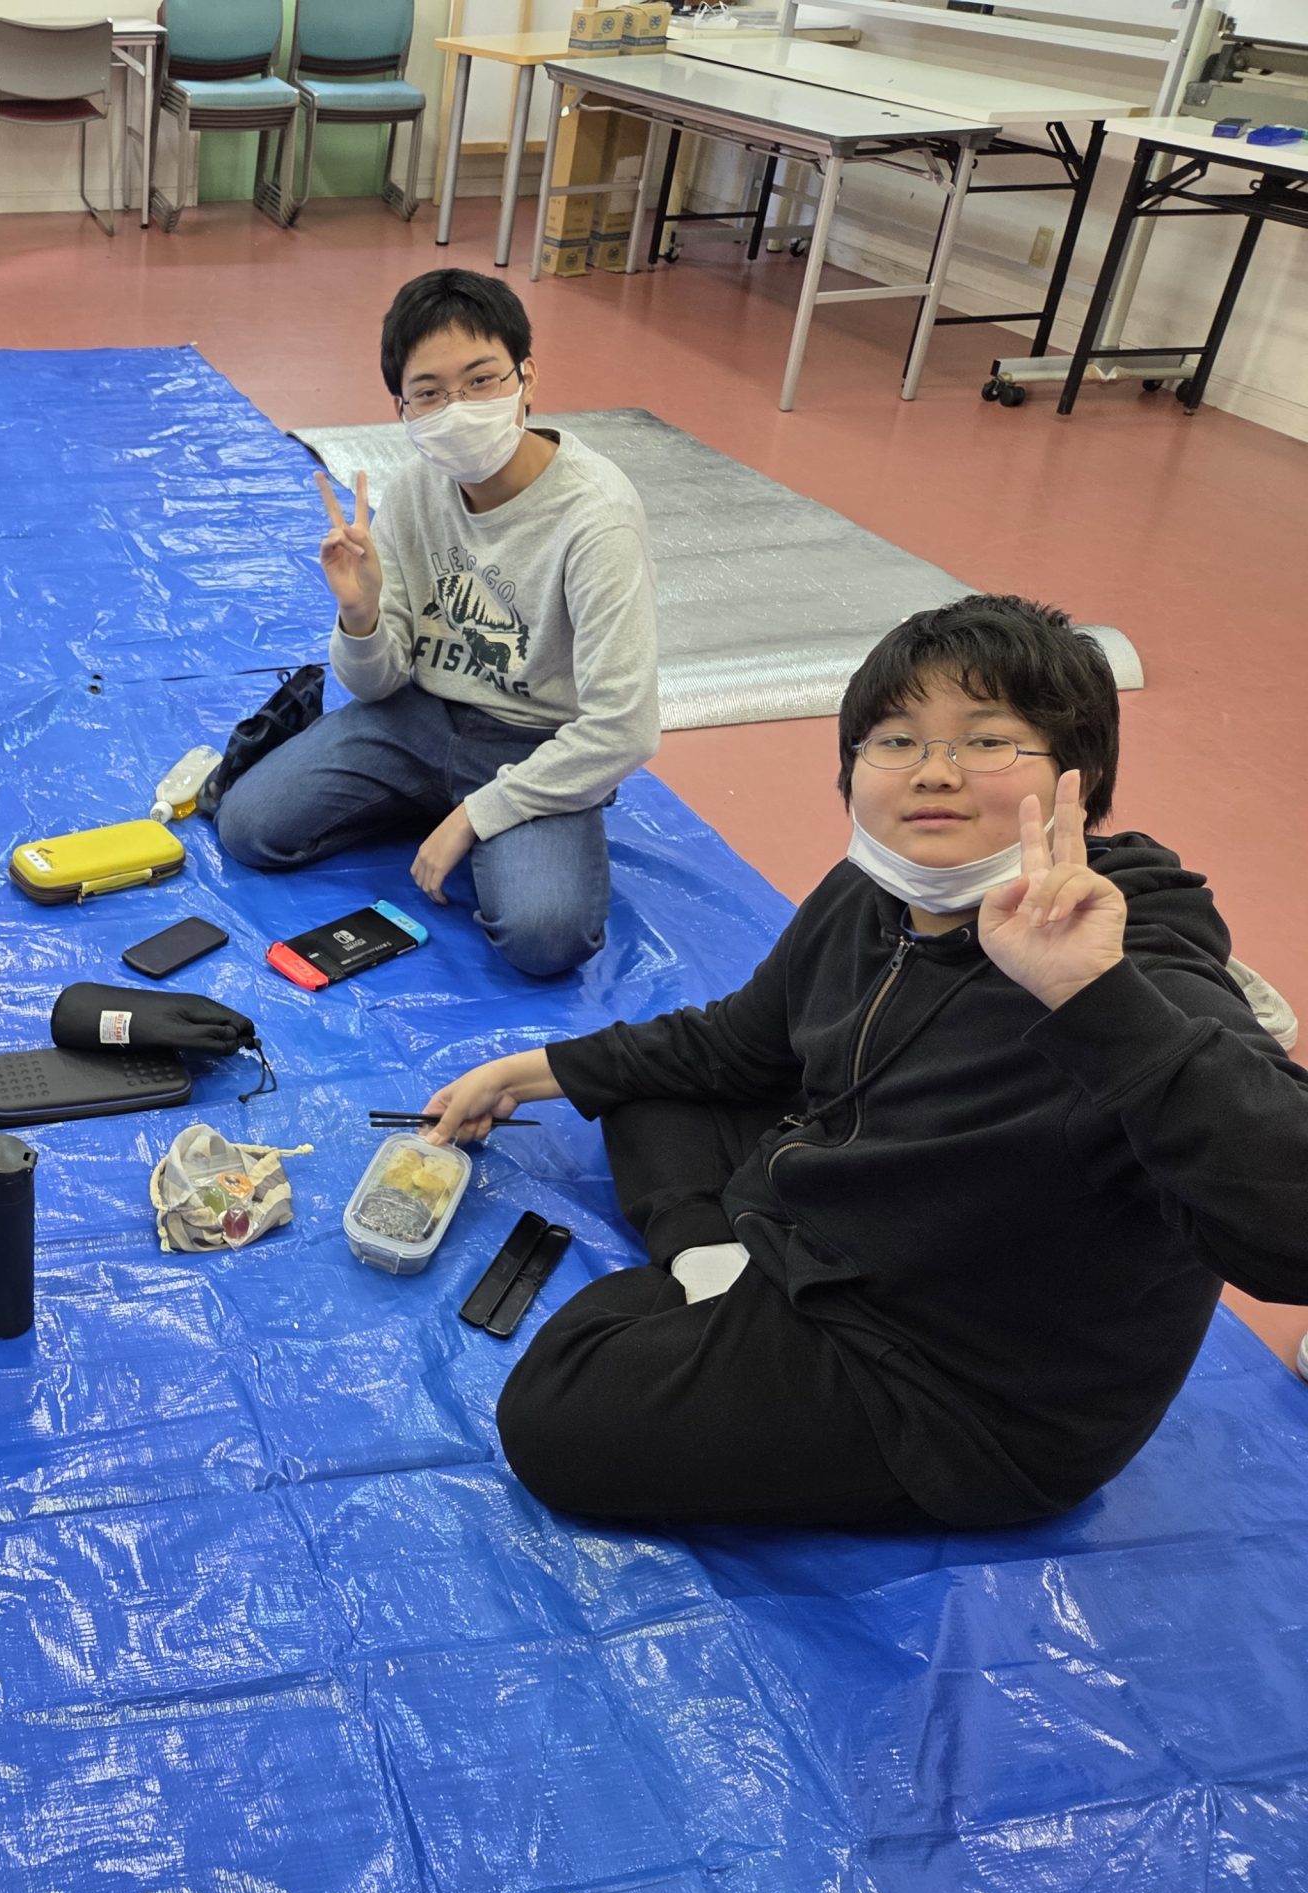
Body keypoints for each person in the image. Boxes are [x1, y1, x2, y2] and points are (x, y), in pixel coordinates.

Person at [418, 595, 1308, 1530]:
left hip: (955, 1387)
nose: (935, 772)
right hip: (853, 1217)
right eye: (897, 740)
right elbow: (737, 1042)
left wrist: (1095, 999)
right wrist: (526, 1072)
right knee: (647, 1091)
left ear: (1077, 778)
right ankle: (717, 1262)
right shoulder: (872, 891)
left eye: (987, 741)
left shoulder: (1131, 960)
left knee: (558, 1411)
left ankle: (717, 1274)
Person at [212, 269, 660, 978]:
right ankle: (427, 797)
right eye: (429, 393)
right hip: (417, 718)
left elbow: (625, 730)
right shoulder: (417, 489)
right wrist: (360, 613)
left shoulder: (594, 517)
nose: (458, 409)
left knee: (547, 937)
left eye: (481, 380)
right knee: (248, 829)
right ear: (403, 408)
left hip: (534, 742)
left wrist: (478, 815)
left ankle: (462, 810)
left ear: (526, 377)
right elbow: (375, 685)